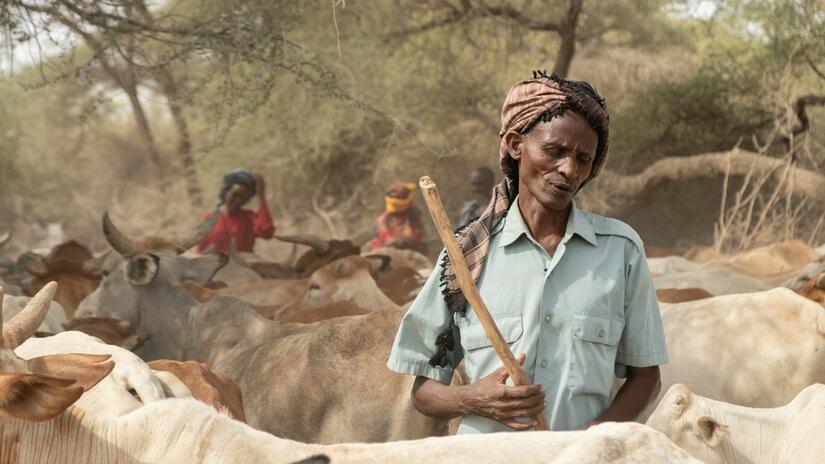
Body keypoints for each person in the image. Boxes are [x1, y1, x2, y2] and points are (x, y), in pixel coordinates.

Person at [387, 71, 668, 433]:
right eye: (555, 152)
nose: (569, 170)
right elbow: (423, 392)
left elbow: (647, 379)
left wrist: (591, 443)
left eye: (584, 159)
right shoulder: (464, 256)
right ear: (516, 144)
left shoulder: (621, 252)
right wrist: (472, 399)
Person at [196, 169, 275, 254]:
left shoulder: (249, 218)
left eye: (243, 198)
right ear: (225, 192)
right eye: (235, 195)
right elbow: (200, 252)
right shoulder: (209, 218)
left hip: (241, 266)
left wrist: (261, 197)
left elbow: (267, 233)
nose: (238, 201)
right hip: (214, 266)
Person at [369, 182, 426, 253]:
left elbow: (417, 235)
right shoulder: (383, 219)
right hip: (389, 252)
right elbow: (385, 237)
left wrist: (405, 240)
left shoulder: (413, 215)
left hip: (412, 252)